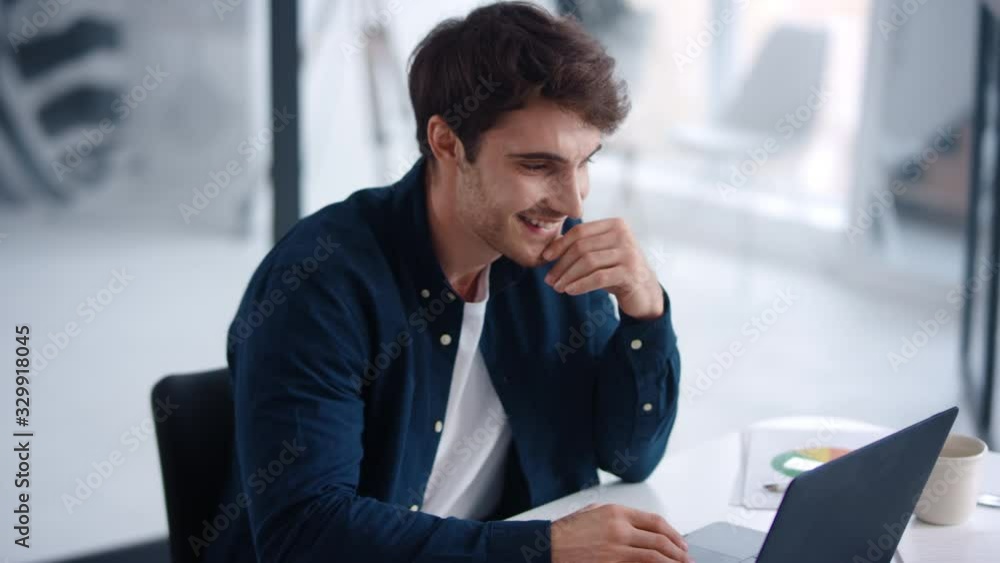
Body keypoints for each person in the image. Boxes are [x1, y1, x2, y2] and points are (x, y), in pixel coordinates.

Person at [203, 2, 685, 562]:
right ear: (447, 142)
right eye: (537, 166)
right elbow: (305, 537)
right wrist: (541, 549)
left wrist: (645, 311)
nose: (573, 201)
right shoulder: (319, 283)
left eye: (585, 163)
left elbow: (630, 457)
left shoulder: (549, 256)